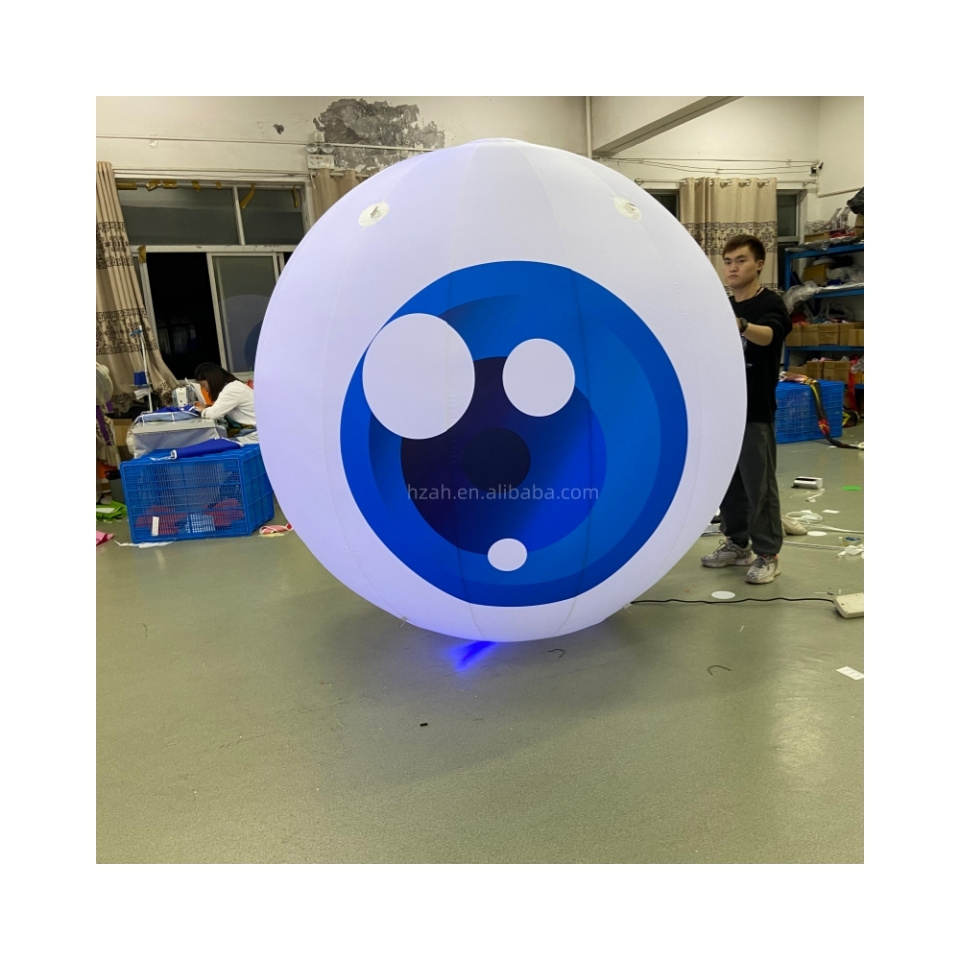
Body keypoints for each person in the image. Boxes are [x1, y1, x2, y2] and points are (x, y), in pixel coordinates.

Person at [701, 234, 791, 584]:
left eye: (741, 260)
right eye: (727, 262)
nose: (732, 268)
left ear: (759, 264)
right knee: (729, 484)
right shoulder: (720, 305)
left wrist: (741, 325)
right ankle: (737, 544)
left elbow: (770, 336)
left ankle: (768, 554)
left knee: (759, 487)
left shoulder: (771, 303)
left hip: (755, 409)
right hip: (724, 410)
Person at [192, 362, 258, 441]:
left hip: (254, 435)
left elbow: (213, 414)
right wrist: (208, 407)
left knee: (214, 444)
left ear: (212, 380)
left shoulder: (232, 389)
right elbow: (221, 409)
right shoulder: (233, 386)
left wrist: (200, 410)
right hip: (251, 432)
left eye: (204, 385)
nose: (205, 390)